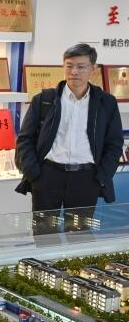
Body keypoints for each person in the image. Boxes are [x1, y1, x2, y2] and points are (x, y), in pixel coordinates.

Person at [15, 43, 123, 234]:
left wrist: (101, 177)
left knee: (78, 237)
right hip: (47, 177)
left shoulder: (105, 102)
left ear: (93, 69)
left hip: (86, 179)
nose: (74, 72)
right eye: (69, 66)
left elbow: (114, 143)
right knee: (44, 236)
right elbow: (25, 139)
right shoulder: (44, 99)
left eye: (81, 66)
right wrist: (34, 174)